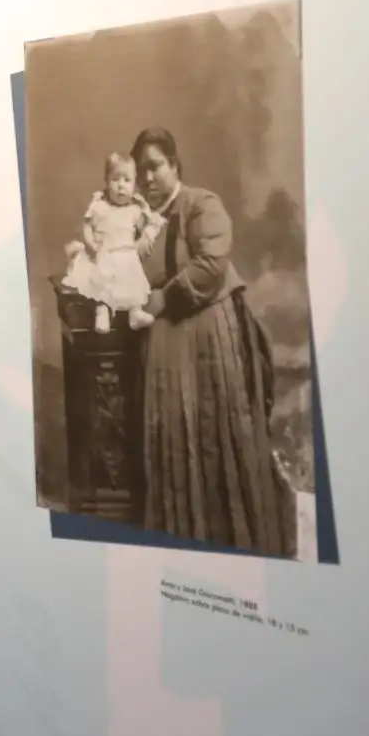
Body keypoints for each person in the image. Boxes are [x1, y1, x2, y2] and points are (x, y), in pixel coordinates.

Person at [131, 127, 296, 558]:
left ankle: (236, 540)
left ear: (174, 165)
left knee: (217, 432)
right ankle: (184, 540)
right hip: (167, 345)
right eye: (140, 171)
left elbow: (210, 265)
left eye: (155, 166)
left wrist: (163, 298)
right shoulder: (140, 225)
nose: (147, 178)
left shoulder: (201, 204)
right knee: (172, 436)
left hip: (210, 337)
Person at [60, 152, 164, 333]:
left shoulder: (135, 209)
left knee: (134, 284)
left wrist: (147, 232)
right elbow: (87, 226)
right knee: (104, 283)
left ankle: (135, 313)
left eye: (127, 180)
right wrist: (91, 243)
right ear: (106, 181)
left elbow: (145, 227)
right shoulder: (100, 207)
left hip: (127, 255)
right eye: (115, 180)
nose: (121, 186)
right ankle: (103, 312)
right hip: (105, 253)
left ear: (135, 185)